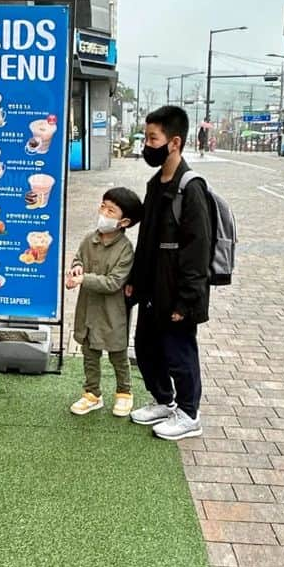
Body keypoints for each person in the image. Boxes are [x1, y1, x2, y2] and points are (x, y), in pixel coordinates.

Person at [125, 105, 212, 442]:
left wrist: (187, 299)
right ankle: (164, 400)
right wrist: (134, 281)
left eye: (153, 138)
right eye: (146, 137)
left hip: (178, 291)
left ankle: (189, 414)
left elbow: (198, 248)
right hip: (151, 287)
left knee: (179, 352)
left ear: (174, 142)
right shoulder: (154, 182)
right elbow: (146, 240)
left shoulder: (190, 187)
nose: (147, 145)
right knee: (146, 347)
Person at [65, 186, 143, 418]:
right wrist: (77, 267)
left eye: (111, 211)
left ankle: (124, 392)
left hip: (112, 311)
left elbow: (113, 282)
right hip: (88, 308)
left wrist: (82, 278)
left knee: (117, 352)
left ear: (124, 221)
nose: (104, 213)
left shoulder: (125, 249)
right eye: (103, 206)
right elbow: (79, 258)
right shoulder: (90, 239)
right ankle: (92, 393)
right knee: (89, 351)